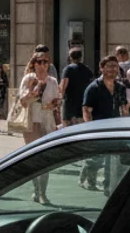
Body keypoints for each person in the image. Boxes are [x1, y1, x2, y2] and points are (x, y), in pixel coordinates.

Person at [17, 52, 61, 203]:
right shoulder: (29, 79)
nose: (43, 65)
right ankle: (36, 191)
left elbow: (57, 101)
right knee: (34, 157)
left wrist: (54, 104)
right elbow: (22, 101)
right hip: (31, 121)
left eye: (45, 62)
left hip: (47, 120)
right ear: (34, 64)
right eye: (39, 62)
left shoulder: (53, 81)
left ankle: (43, 192)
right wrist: (33, 92)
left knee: (46, 158)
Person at [81, 55, 129, 192]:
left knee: (112, 159)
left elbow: (124, 109)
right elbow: (86, 110)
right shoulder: (93, 88)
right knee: (97, 159)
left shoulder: (120, 88)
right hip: (99, 128)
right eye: (109, 66)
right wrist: (90, 129)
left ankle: (109, 186)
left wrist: (127, 126)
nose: (113, 69)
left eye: (115, 66)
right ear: (101, 68)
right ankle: (88, 177)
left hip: (116, 128)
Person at [59, 48, 95, 127]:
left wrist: (59, 99)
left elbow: (63, 85)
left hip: (69, 106)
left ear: (70, 57)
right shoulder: (87, 69)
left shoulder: (68, 69)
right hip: (82, 106)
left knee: (67, 130)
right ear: (81, 57)